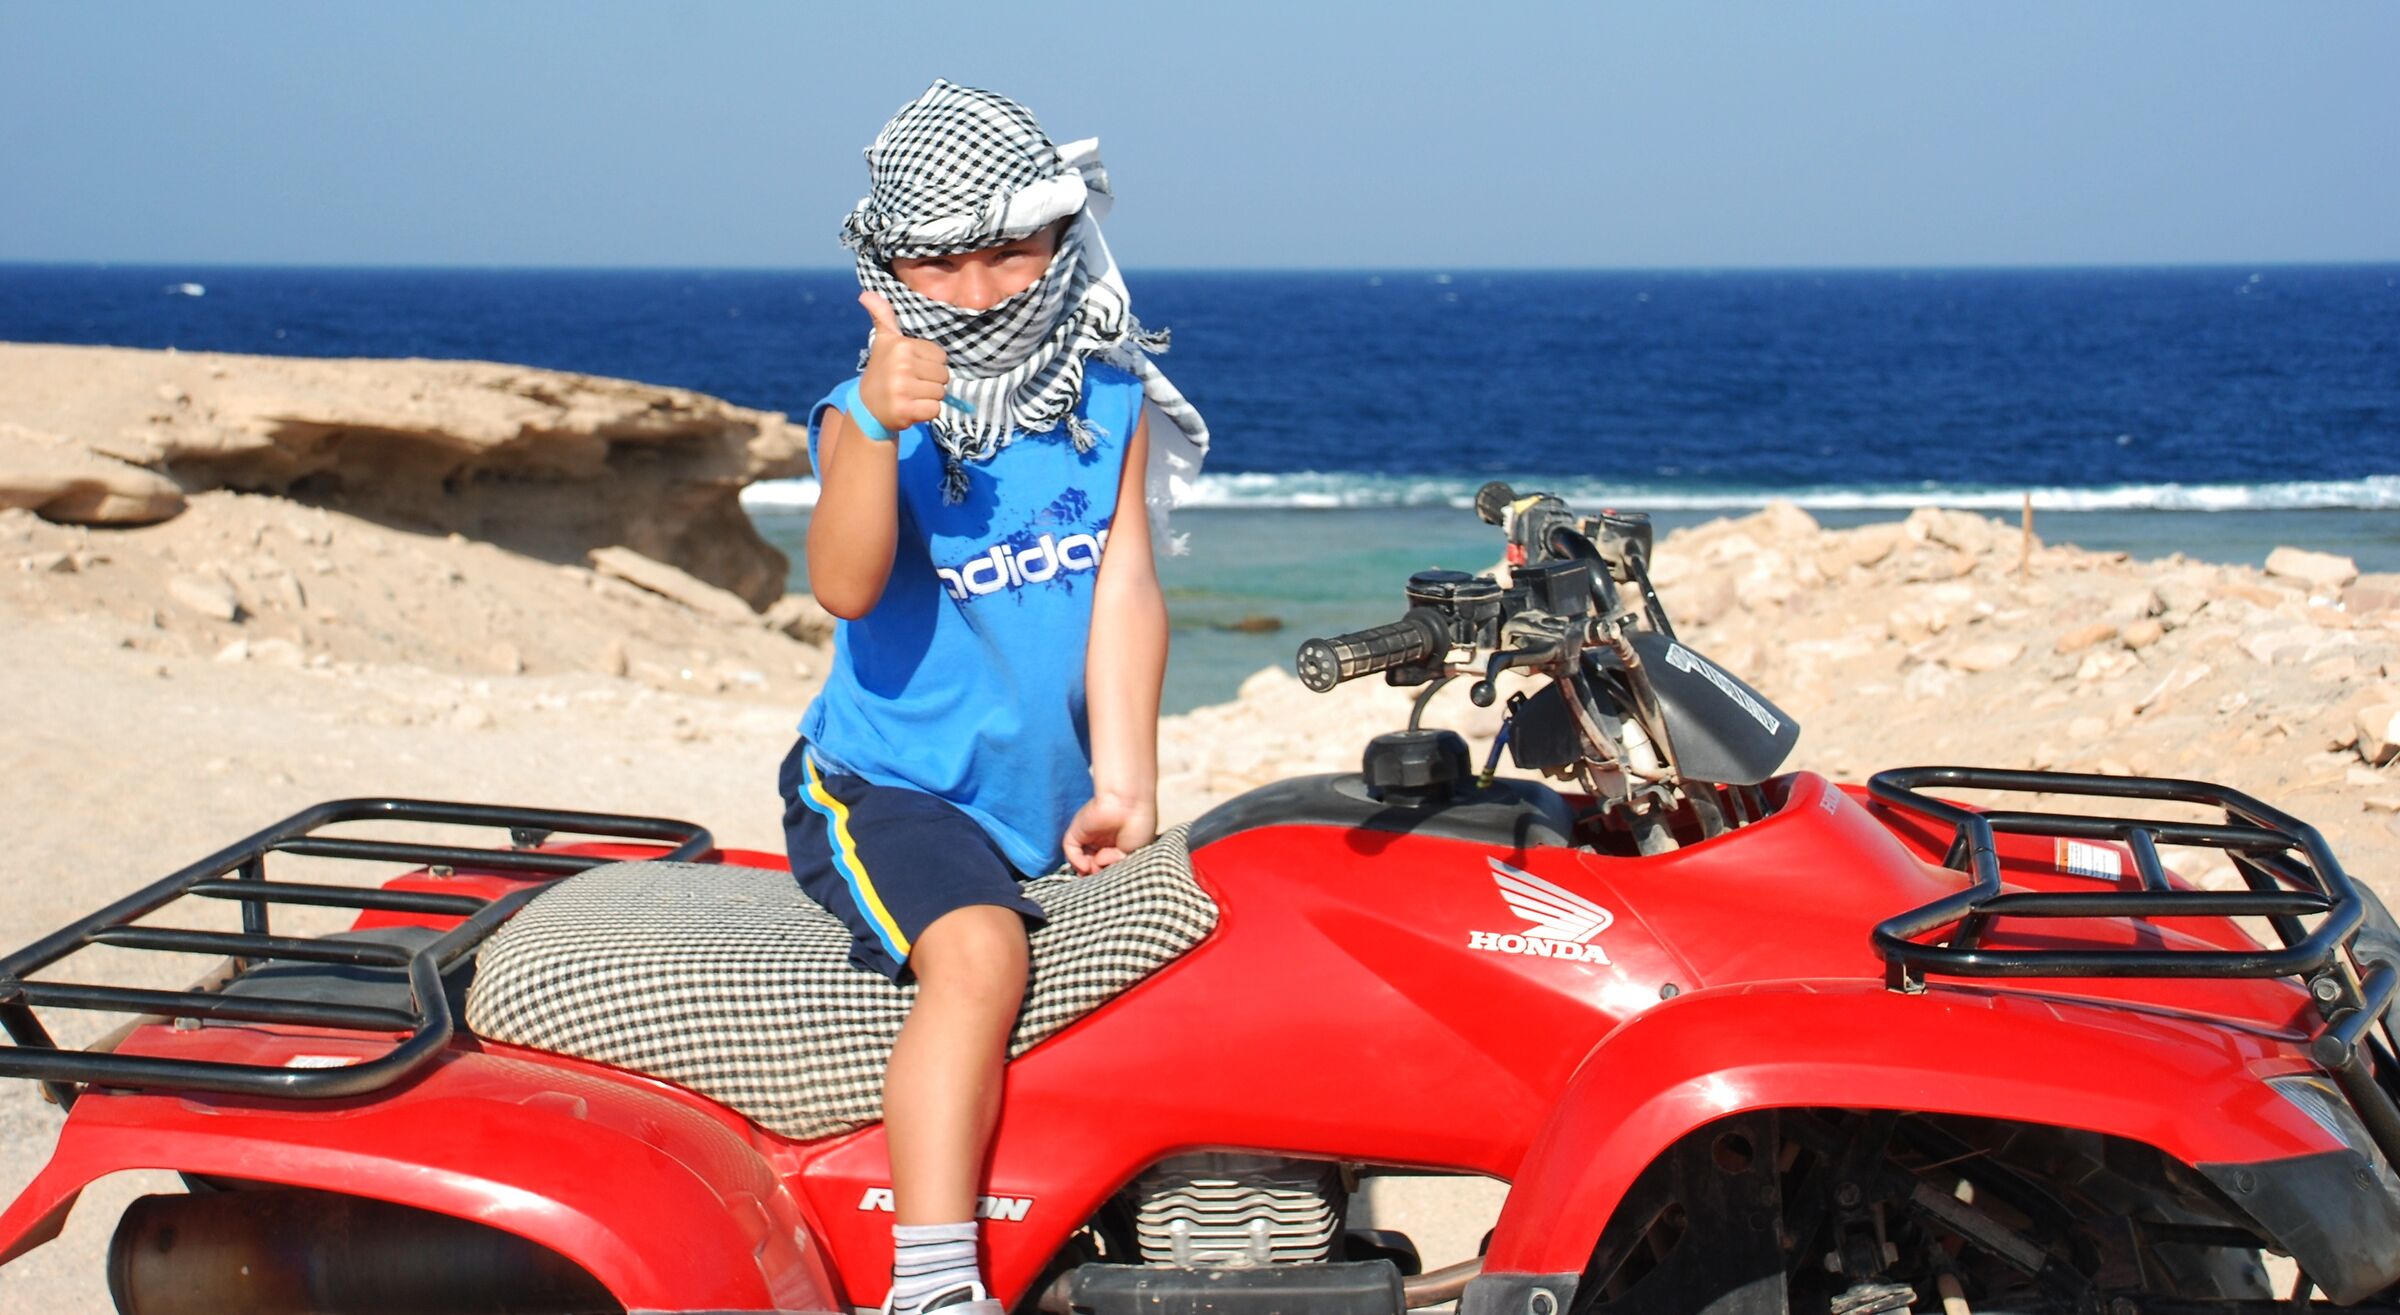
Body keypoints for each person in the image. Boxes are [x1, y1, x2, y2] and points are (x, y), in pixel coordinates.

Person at [780, 80, 1209, 1315]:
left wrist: (1128, 780)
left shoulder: (1106, 393)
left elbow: (1123, 582)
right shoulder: (872, 416)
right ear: (889, 266)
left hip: (1045, 785)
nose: (976, 290)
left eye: (1009, 250)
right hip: (887, 783)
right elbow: (846, 586)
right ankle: (931, 1281)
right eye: (941, 260)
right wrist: (869, 421)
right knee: (978, 956)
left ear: (1064, 236)